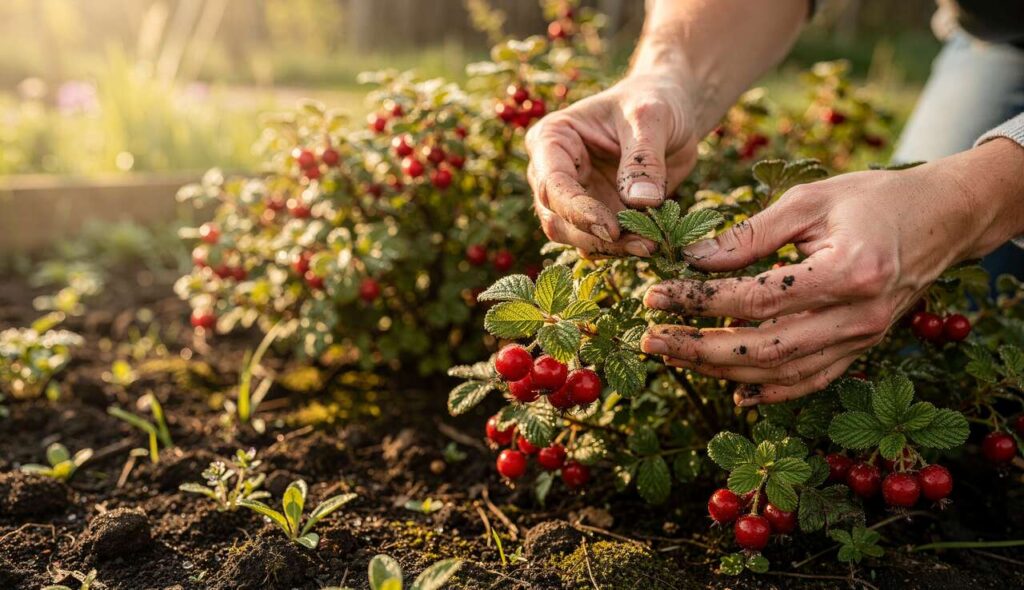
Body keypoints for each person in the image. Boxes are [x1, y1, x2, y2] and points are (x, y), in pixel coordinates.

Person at [525, 0, 1024, 406]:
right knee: (883, 327)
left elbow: (964, 200)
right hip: (1002, 30)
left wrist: (969, 197)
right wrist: (668, 78)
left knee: (951, 328)